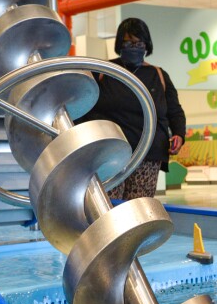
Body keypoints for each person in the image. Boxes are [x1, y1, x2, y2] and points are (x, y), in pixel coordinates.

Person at [76, 17, 186, 200]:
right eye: (128, 42)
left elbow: (174, 111)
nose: (134, 47)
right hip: (109, 152)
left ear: (147, 45)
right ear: (120, 43)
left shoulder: (158, 75)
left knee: (138, 208)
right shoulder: (105, 71)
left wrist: (179, 134)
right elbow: (83, 105)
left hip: (148, 154)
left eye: (139, 42)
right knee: (106, 206)